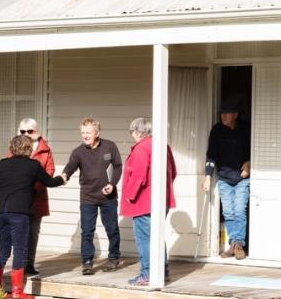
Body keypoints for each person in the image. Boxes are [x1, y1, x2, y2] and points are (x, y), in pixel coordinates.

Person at [0, 134, 65, 299]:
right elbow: (49, 182)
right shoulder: (33, 165)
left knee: (3, 250)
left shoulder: (2, 164)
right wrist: (63, 179)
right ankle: (17, 291)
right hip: (19, 213)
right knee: (20, 250)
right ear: (29, 149)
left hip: (0, 212)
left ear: (12, 148)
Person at [120, 117, 178, 286]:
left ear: (139, 132)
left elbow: (138, 175)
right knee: (157, 237)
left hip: (143, 201)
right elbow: (173, 172)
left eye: (132, 132)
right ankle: (162, 271)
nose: (132, 136)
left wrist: (130, 195)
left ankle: (148, 273)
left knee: (145, 238)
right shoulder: (163, 146)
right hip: (162, 200)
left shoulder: (141, 148)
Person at [62, 117, 123, 275]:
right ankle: (87, 261)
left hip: (108, 196)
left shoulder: (109, 146)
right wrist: (64, 176)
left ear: (97, 133)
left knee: (112, 228)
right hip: (88, 196)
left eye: (88, 132)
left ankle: (114, 257)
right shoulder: (78, 152)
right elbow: (70, 167)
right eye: (82, 132)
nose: (85, 135)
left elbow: (117, 167)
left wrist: (112, 184)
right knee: (87, 230)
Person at [203, 99, 251, 259]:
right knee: (229, 212)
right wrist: (207, 177)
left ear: (235, 115)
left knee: (239, 211)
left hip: (242, 178)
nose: (223, 115)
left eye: (227, 113)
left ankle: (238, 244)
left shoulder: (246, 129)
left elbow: (256, 148)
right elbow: (211, 155)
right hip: (224, 177)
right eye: (222, 113)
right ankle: (234, 244)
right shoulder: (217, 130)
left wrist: (250, 162)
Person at [12, 118, 54, 276]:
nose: (26, 134)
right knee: (18, 232)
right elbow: (10, 168)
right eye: (23, 131)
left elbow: (49, 171)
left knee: (33, 232)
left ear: (37, 132)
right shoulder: (14, 148)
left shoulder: (45, 150)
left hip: (37, 197)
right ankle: (18, 264)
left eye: (30, 131)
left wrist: (35, 186)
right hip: (18, 197)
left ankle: (29, 263)